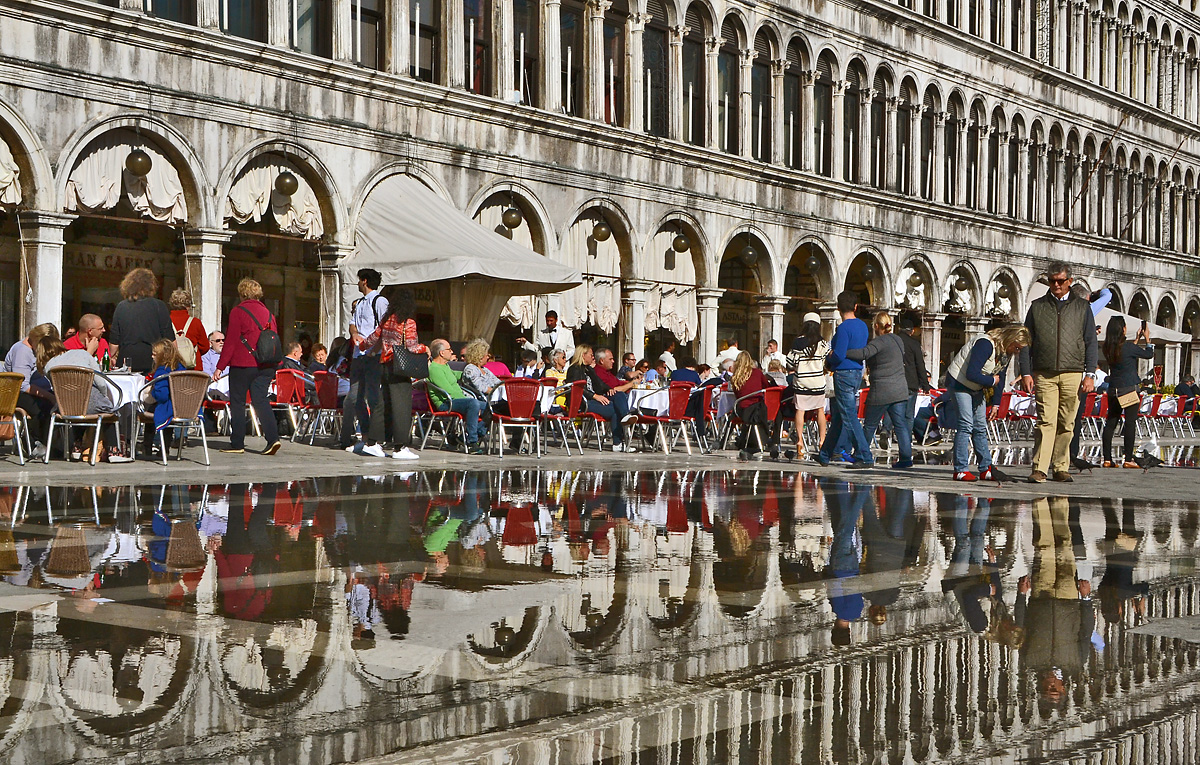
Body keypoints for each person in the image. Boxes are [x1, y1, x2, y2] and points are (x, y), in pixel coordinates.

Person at [1018, 262, 1098, 483]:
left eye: (1061, 281)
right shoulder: (1037, 306)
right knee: (1045, 421)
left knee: (1066, 422)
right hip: (1044, 372)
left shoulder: (1082, 308)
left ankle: (1061, 466)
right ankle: (1040, 468)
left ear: (1069, 282)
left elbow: (1091, 342)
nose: (1056, 285)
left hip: (1073, 371)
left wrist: (1090, 374)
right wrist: (1025, 372)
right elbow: (1025, 342)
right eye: (1052, 281)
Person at [946, 324, 1031, 481]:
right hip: (959, 383)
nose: (1017, 352)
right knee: (965, 424)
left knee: (980, 426)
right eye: (1017, 347)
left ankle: (986, 468)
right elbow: (972, 373)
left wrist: (996, 403)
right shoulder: (985, 344)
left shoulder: (1005, 352)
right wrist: (991, 380)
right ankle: (961, 470)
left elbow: (1001, 375)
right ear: (1010, 340)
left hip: (977, 387)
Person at [352, 288, 428, 461]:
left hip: (384, 366)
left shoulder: (387, 320)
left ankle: (372, 443)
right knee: (402, 406)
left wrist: (362, 347)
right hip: (400, 369)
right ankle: (400, 447)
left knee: (381, 405)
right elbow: (411, 346)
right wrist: (425, 348)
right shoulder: (408, 322)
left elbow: (372, 339)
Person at [213, 277, 281, 456]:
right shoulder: (268, 313)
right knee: (261, 400)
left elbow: (231, 341)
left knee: (237, 402)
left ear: (242, 293)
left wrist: (220, 366)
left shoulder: (238, 311)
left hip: (243, 363)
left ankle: (237, 443)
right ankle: (273, 439)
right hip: (266, 363)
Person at [37, 336, 132, 462]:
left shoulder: (48, 367)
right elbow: (101, 382)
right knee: (110, 412)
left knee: (76, 407)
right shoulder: (83, 354)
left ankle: (77, 447)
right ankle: (113, 451)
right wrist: (103, 397)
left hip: (65, 406)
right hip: (90, 401)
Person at [846, 312, 912, 469]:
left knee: (870, 425)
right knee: (900, 424)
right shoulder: (898, 340)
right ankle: (905, 458)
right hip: (900, 389)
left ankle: (862, 456)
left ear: (876, 326)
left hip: (882, 390)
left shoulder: (879, 342)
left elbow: (863, 353)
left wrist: (843, 352)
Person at [817, 290, 872, 468]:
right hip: (857, 371)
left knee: (849, 416)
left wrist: (829, 361)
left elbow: (839, 354)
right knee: (840, 416)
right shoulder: (863, 326)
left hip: (844, 373)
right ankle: (825, 454)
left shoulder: (843, 328)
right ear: (856, 307)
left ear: (838, 308)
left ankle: (865, 455)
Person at [339, 268, 389, 450]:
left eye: (360, 280)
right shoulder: (359, 303)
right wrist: (354, 334)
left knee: (373, 397)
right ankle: (366, 434)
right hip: (358, 355)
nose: (358, 283)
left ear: (365, 281)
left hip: (372, 355)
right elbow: (352, 324)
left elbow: (385, 328)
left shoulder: (379, 301)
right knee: (354, 397)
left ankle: (375, 439)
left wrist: (374, 350)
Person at [1101, 316, 1155, 468]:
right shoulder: (1128, 347)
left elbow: (1124, 354)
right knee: (1130, 422)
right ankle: (1128, 459)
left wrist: (1136, 340)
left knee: (1111, 423)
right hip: (1129, 389)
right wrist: (1147, 339)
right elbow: (1148, 354)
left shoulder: (1107, 347)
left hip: (1113, 389)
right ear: (1123, 329)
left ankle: (1107, 459)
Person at [565, 345, 639, 453]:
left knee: (618, 394)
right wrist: (594, 396)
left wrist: (610, 390)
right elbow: (577, 388)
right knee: (614, 410)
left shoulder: (589, 369)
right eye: (591, 355)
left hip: (595, 398)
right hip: (582, 402)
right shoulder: (575, 369)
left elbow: (599, 384)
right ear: (583, 355)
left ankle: (625, 416)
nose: (593, 357)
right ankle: (617, 443)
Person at [4, 323, 59, 456]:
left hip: (38, 390)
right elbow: (23, 385)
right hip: (16, 392)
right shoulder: (23, 351)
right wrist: (48, 395)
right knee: (41, 407)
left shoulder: (34, 350)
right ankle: (34, 442)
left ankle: (55, 444)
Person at [108, 267, 174, 374]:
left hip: (127, 361)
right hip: (152, 361)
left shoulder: (121, 307)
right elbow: (170, 339)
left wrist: (109, 357)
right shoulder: (159, 306)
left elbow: (114, 342)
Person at [427, 338, 486, 453]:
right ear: (442, 353)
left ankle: (462, 438)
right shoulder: (434, 369)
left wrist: (473, 371)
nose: (452, 351)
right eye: (449, 349)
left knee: (490, 407)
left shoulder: (445, 366)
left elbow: (457, 375)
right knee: (473, 403)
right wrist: (471, 404)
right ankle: (472, 442)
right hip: (446, 403)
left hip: (457, 401)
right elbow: (449, 391)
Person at [786, 313, 830, 458]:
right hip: (818, 382)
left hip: (802, 383)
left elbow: (790, 363)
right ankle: (822, 441)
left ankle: (800, 442)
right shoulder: (822, 343)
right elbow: (828, 362)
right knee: (820, 411)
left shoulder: (798, 342)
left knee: (800, 410)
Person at [142, 338, 187, 455]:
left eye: (154, 354)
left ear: (162, 355)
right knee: (167, 411)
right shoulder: (182, 367)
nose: (152, 356)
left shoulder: (162, 371)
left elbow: (162, 396)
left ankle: (147, 446)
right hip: (186, 407)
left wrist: (153, 392)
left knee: (151, 408)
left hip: (169, 407)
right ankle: (165, 447)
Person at [730, 351, 772, 460]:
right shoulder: (757, 373)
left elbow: (736, 395)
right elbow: (766, 387)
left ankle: (739, 440)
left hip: (742, 410)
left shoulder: (735, 377)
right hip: (756, 408)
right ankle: (769, 440)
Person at [895, 314, 931, 434]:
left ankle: (889, 433)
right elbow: (920, 366)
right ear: (912, 331)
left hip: (895, 381)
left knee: (895, 411)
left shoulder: (894, 341)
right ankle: (906, 439)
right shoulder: (914, 344)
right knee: (909, 414)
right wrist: (925, 385)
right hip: (910, 383)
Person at [168, 288, 210, 371]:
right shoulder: (195, 322)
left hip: (171, 367)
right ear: (188, 306)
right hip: (192, 367)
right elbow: (205, 346)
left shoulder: (166, 321)